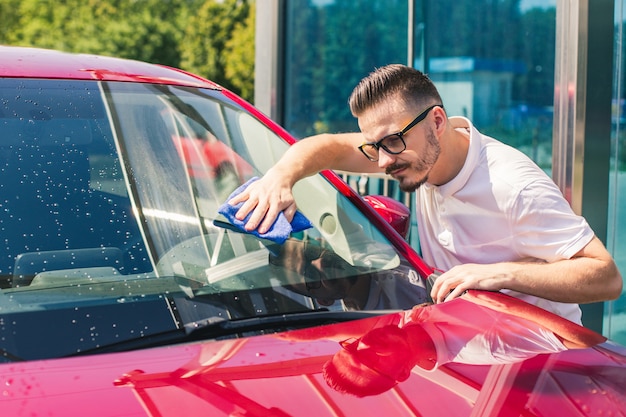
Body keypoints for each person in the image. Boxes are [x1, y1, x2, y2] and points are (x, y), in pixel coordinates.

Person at [230, 64, 622, 324]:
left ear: (436, 122)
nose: (382, 162)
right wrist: (279, 178)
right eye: (373, 147)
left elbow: (605, 277)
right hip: (458, 348)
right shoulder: (411, 155)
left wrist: (501, 274)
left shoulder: (512, 185)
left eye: (392, 142)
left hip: (534, 362)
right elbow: (328, 147)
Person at [268, 237, 429, 310]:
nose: (320, 263)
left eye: (311, 252)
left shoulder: (371, 239)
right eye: (311, 276)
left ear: (318, 240)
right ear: (324, 301)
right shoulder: (374, 333)